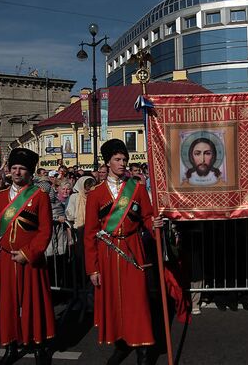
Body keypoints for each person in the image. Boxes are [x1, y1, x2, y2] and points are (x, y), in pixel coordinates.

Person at [83, 139, 163, 365]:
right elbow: (89, 233)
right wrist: (92, 268)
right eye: (117, 159)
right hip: (107, 252)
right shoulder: (96, 194)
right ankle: (121, 344)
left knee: (137, 302)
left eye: (124, 160)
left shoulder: (136, 189)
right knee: (114, 302)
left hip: (132, 249)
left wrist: (154, 224)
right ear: (108, 162)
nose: (122, 163)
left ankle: (143, 351)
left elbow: (147, 217)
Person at [0, 148, 54, 365]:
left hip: (31, 259)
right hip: (5, 260)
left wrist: (28, 253)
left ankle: (39, 345)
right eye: (14, 168)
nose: (17, 172)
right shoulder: (1, 197)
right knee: (7, 305)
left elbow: (45, 231)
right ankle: (11, 345)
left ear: (30, 172)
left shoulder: (39, 196)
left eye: (22, 168)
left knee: (35, 303)